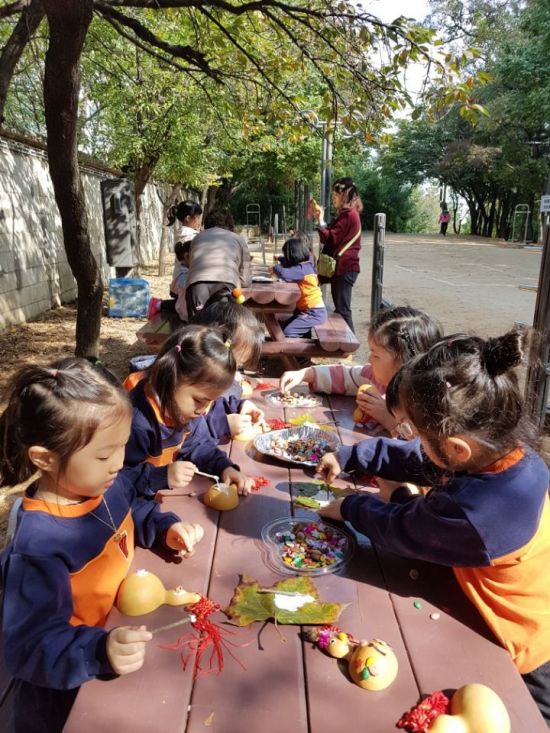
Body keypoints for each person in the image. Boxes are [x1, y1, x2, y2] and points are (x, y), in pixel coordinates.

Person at [317, 330, 550, 723]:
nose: (416, 442)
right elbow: (418, 461)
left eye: (420, 434)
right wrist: (351, 454)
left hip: (527, 645)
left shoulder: (479, 512)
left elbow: (404, 529)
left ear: (457, 448)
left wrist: (350, 507)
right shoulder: (509, 454)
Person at [0, 358, 203, 733]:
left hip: (118, 637)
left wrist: (163, 528)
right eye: (103, 454)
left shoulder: (103, 486)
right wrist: (97, 651)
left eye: (122, 447)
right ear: (45, 458)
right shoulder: (39, 545)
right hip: (66, 690)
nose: (118, 464)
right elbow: (29, 645)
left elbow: (133, 510)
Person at [123, 324, 254, 496]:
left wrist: (224, 467)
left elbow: (198, 444)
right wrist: (161, 476)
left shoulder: (182, 409)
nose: (204, 410)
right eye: (199, 400)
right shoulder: (137, 423)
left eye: (210, 402)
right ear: (170, 377)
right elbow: (119, 479)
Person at [279, 306, 443, 434]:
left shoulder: (423, 401)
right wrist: (305, 374)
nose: (369, 360)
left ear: (403, 362)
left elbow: (419, 447)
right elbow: (344, 376)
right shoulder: (373, 376)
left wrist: (387, 418)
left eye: (375, 355)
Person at [191, 289, 266, 441]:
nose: (235, 374)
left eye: (239, 367)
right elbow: (187, 430)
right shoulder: (188, 384)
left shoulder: (206, 379)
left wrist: (239, 405)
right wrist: (221, 425)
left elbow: (215, 405)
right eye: (235, 365)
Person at [313, 177, 363, 333]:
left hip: (345, 267)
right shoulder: (349, 214)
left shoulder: (349, 215)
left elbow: (331, 238)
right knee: (341, 309)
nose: (333, 199)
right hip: (344, 267)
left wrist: (321, 221)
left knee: (343, 310)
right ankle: (346, 343)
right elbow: (334, 236)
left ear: (344, 195)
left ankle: (350, 343)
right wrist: (320, 222)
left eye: (335, 195)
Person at [185, 209, 252, 319]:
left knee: (197, 327)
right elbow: (245, 280)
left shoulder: (197, 238)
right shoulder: (238, 240)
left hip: (197, 285)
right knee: (224, 324)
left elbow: (192, 267)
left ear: (206, 224)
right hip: (227, 284)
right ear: (231, 225)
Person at [272, 234, 327, 338]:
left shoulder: (301, 270)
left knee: (287, 332)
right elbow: (288, 264)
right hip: (308, 310)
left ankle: (300, 353)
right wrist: (280, 258)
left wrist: (275, 267)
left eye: (287, 255)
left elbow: (284, 273)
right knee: (283, 326)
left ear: (293, 255)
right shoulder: (306, 265)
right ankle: (301, 354)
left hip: (313, 313)